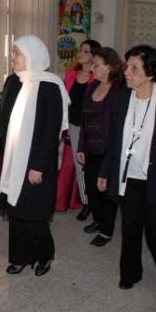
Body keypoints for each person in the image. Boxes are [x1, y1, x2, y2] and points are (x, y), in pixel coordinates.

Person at [97, 45, 156, 290]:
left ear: (150, 73)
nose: (127, 72)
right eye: (127, 66)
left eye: (134, 68)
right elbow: (113, 140)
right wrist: (105, 171)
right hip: (129, 175)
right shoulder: (120, 99)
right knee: (129, 226)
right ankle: (130, 273)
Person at [0, 35, 70, 277]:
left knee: (34, 213)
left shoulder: (51, 86)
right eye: (13, 52)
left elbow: (51, 131)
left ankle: (44, 255)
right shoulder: (13, 81)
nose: (13, 57)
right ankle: (19, 257)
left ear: (32, 56)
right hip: (14, 158)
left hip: (36, 160)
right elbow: (1, 119)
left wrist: (38, 166)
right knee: (15, 209)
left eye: (17, 53)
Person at [77, 47, 124, 247]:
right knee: (91, 188)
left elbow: (119, 124)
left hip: (109, 149)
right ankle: (98, 219)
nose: (92, 68)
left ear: (109, 67)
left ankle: (107, 230)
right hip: (91, 147)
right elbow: (84, 120)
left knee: (106, 191)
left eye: (96, 65)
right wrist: (81, 146)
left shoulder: (120, 90)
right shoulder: (91, 86)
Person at [63, 39, 101, 224]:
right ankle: (87, 202)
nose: (81, 53)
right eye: (81, 50)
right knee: (80, 166)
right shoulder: (71, 74)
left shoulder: (98, 77)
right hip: (74, 125)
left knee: (94, 167)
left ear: (94, 55)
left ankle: (96, 202)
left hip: (93, 128)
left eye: (87, 51)